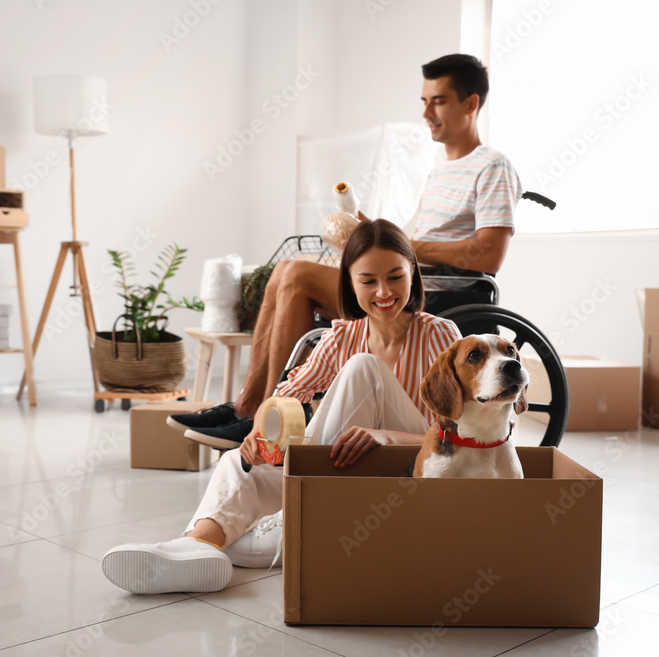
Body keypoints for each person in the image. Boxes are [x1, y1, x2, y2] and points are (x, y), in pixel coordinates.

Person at [173, 52, 522, 449]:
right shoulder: (439, 170)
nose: (427, 112)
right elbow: (411, 244)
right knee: (285, 270)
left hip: (448, 292)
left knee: (298, 274)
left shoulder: (491, 166)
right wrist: (368, 234)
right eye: (424, 101)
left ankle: (256, 414)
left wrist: (401, 249)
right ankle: (248, 406)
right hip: (416, 277)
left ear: (471, 103)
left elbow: (488, 254)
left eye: (438, 100)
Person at [102, 220, 462, 594]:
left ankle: (293, 517)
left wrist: (384, 436)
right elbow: (285, 396)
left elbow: (462, 436)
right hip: (340, 469)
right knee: (237, 466)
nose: (383, 292)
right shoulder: (341, 337)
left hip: (406, 472)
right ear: (350, 283)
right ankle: (195, 546)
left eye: (395, 277)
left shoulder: (442, 336)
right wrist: (259, 435)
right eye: (368, 281)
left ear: (413, 276)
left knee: (362, 367)